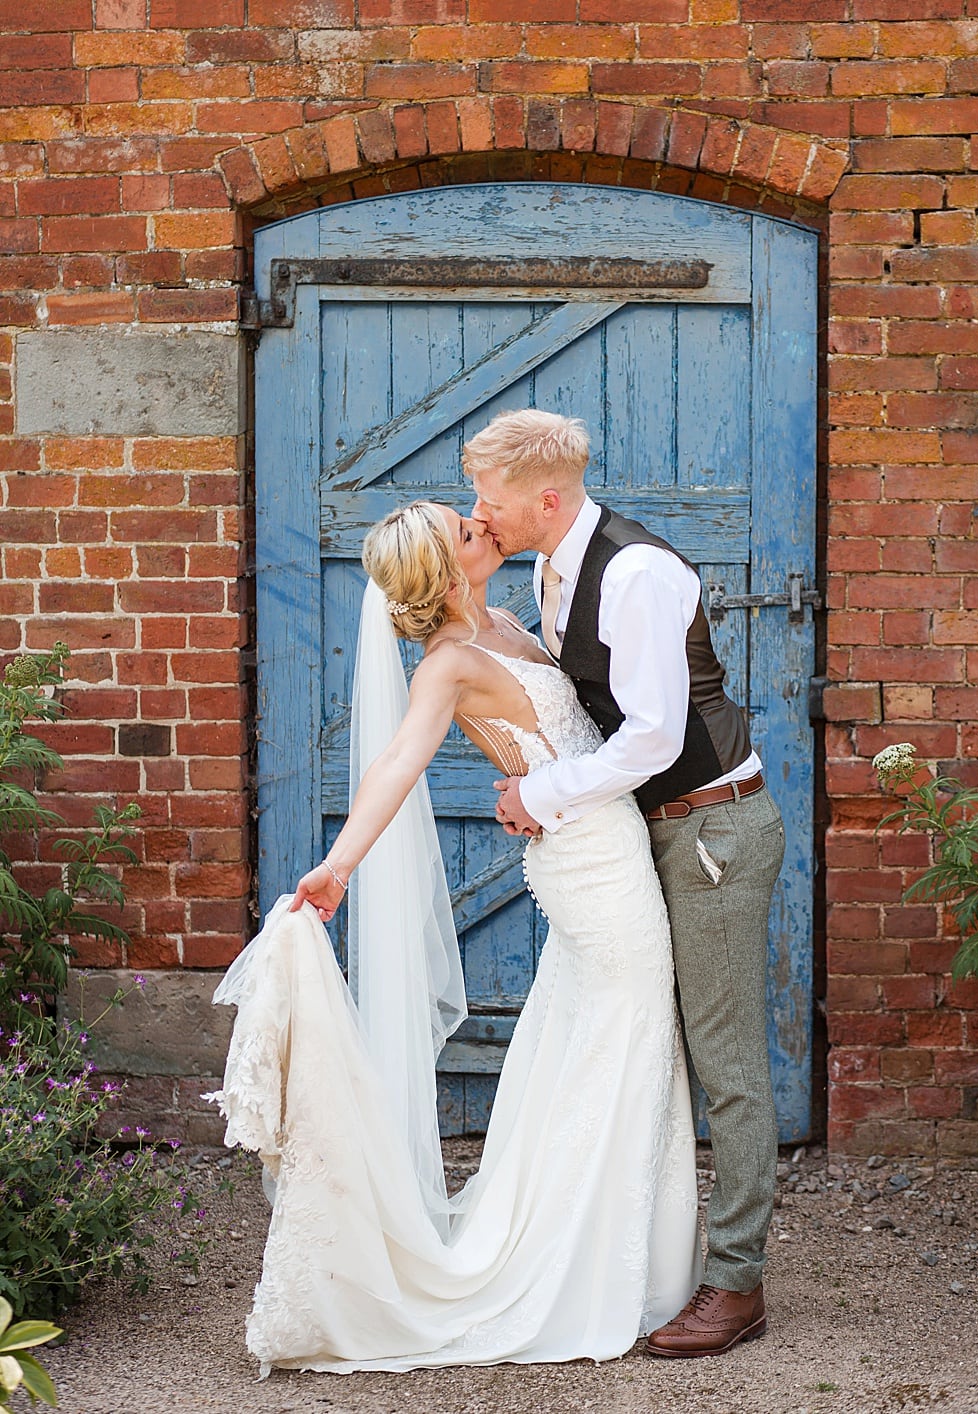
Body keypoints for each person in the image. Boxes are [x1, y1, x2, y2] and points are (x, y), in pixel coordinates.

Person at [208, 499, 700, 1376]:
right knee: (625, 1032)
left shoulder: (509, 618)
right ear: (444, 572)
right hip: (589, 865)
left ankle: (612, 1246)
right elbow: (397, 764)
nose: (483, 525)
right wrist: (339, 866)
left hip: (599, 837)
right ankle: (592, 1268)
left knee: (598, 1037)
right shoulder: (446, 666)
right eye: (464, 530)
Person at [466, 409, 786, 1359]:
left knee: (723, 1061)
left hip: (713, 830)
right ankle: (649, 1255)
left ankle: (737, 1287)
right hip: (656, 831)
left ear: (547, 499)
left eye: (491, 500)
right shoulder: (548, 566)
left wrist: (543, 793)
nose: (478, 513)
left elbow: (651, 733)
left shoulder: (636, 572)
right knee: (658, 1043)